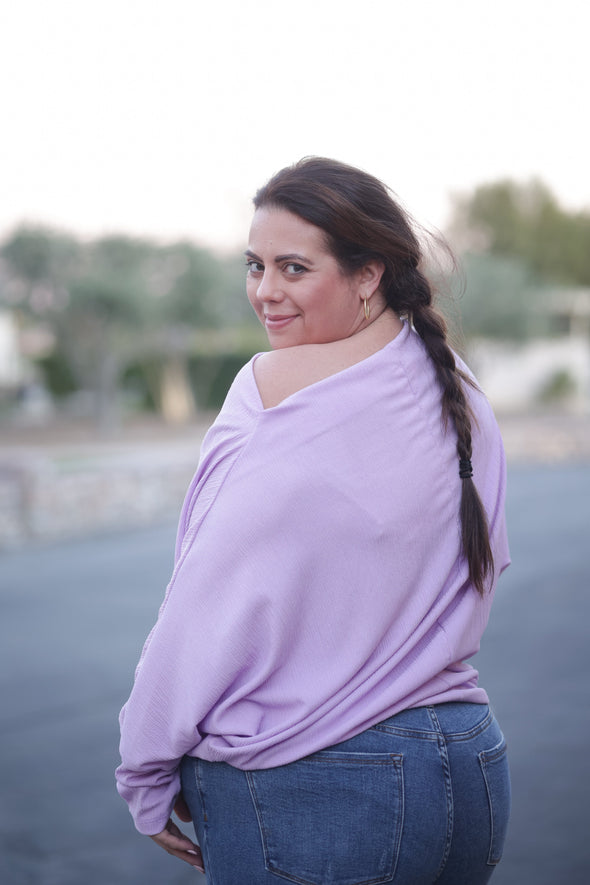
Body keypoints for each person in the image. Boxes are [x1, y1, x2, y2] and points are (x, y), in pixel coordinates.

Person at [116, 157, 511, 884]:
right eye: (255, 265)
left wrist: (143, 766)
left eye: (294, 268)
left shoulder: (270, 389)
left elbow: (205, 608)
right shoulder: (463, 393)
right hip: (469, 763)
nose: (265, 292)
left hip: (320, 778)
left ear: (368, 275)